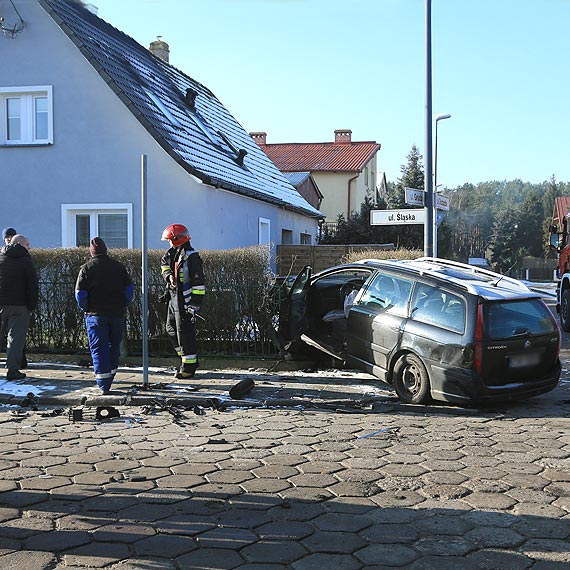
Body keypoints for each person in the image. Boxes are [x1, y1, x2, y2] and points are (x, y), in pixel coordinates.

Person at [75, 238, 133, 394]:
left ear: (91, 252)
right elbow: (128, 291)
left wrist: (85, 308)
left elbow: (80, 294)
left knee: (98, 348)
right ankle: (111, 375)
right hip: (116, 314)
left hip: (95, 315)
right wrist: (123, 304)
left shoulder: (86, 269)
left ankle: (103, 383)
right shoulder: (118, 267)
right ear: (106, 250)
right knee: (114, 346)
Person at [160, 223, 205, 379]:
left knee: (184, 333)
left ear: (177, 239)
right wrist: (168, 276)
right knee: (170, 329)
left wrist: (194, 305)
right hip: (173, 298)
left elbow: (199, 285)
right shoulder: (172, 253)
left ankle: (188, 367)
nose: (168, 243)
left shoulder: (192, 257)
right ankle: (186, 359)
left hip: (185, 301)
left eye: (169, 240)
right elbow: (164, 265)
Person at [0, 234, 38, 380]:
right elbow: (32, 286)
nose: (29, 247)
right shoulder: (25, 261)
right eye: (27, 244)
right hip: (19, 305)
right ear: (21, 244)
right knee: (15, 339)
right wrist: (31, 306)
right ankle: (12, 370)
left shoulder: (1, 258)